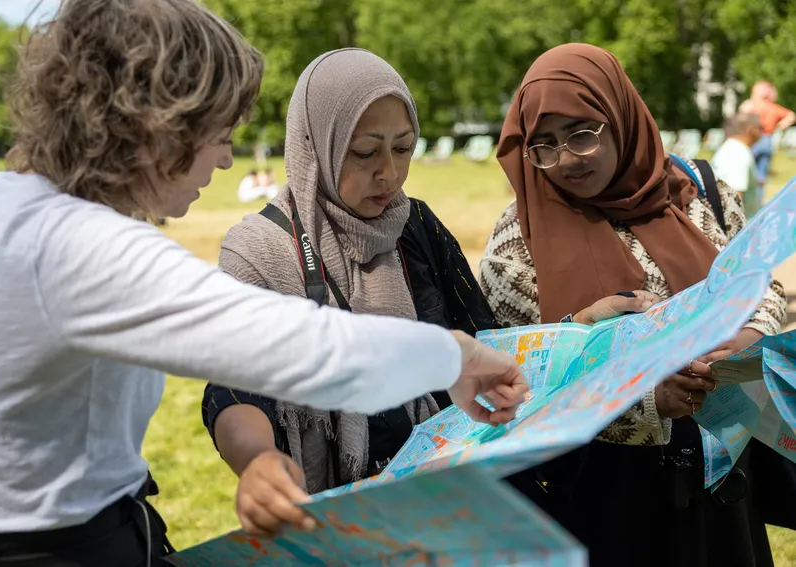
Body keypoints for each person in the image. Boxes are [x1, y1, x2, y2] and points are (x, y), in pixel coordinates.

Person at [0, 1, 533, 565]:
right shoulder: (82, 247)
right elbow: (293, 345)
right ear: (160, 129)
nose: (227, 161)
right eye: (220, 134)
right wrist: (454, 357)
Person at [200, 48, 658, 539]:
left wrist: (577, 331)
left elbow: (487, 347)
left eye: (403, 148)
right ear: (315, 144)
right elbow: (232, 388)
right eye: (365, 152)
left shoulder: (415, 225)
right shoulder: (259, 252)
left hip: (451, 510)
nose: (389, 173)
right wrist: (259, 460)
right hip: (335, 526)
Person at [480, 43, 787, 567]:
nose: (565, 160)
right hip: (602, 497)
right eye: (544, 145)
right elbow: (521, 376)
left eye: (581, 133)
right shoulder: (516, 241)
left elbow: (763, 287)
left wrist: (747, 337)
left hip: (721, 479)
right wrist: (645, 399)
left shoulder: (698, 194)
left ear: (620, 116)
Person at [738, 80, 796, 189]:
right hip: (768, 140)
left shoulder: (752, 106)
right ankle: (758, 198)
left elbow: (741, 118)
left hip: (754, 140)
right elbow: (791, 115)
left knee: (744, 169)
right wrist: (780, 125)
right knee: (761, 175)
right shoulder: (773, 107)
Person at [711, 112, 763, 218]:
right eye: (760, 128)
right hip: (742, 224)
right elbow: (734, 196)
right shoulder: (739, 153)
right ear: (752, 130)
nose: (762, 132)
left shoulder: (730, 147)